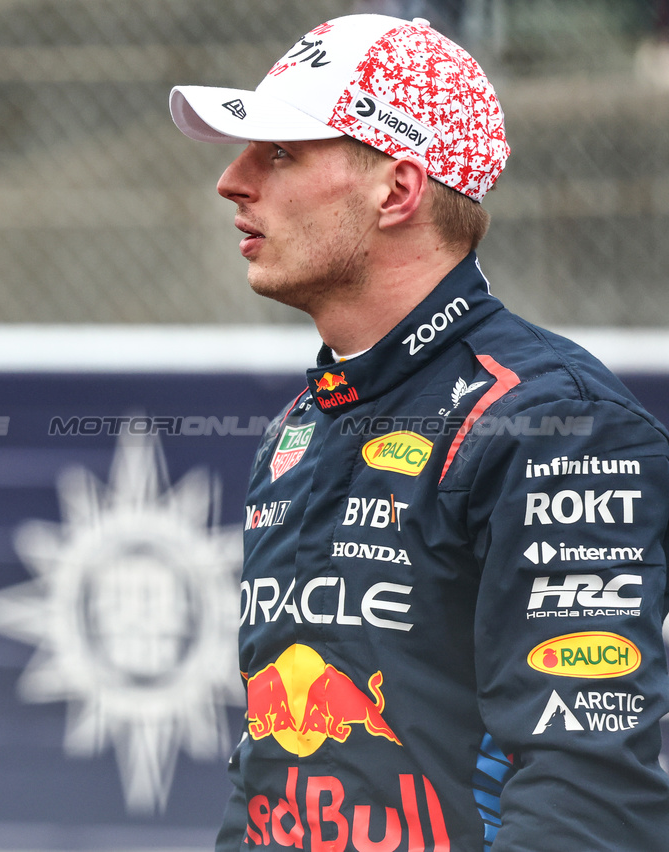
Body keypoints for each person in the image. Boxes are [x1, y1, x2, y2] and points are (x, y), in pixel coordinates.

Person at [170, 14, 669, 851]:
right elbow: (269, 774)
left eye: (280, 152)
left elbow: (587, 796)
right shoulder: (299, 427)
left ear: (397, 191)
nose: (232, 180)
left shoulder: (554, 424)